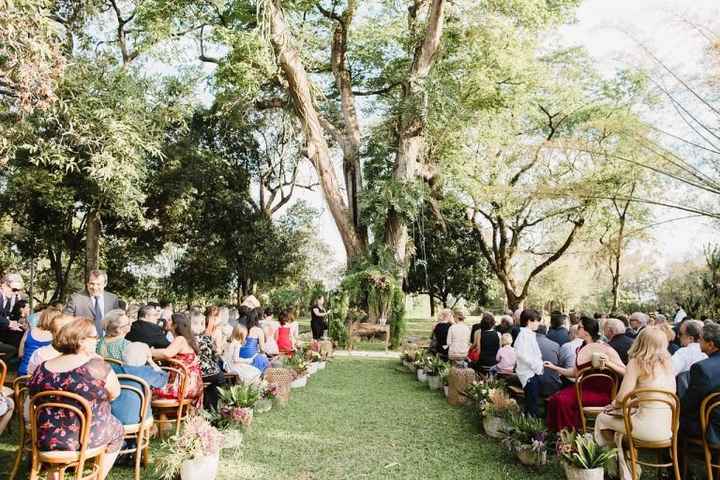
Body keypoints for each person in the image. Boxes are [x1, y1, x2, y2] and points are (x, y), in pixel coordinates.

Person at [28, 317, 123, 480]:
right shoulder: (97, 367)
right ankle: (97, 478)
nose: (98, 340)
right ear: (82, 341)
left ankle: (55, 473)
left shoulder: (41, 368)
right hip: (83, 438)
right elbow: (115, 394)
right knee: (118, 430)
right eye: (95, 337)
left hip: (46, 437)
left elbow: (33, 396)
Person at [594, 327, 676, 480]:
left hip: (645, 428)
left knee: (602, 419)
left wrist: (613, 406)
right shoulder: (669, 364)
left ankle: (615, 468)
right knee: (619, 431)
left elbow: (622, 398)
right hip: (669, 428)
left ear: (640, 342)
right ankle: (628, 468)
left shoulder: (637, 362)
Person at [544, 316, 626, 431]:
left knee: (561, 401)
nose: (576, 329)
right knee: (556, 399)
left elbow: (625, 371)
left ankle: (570, 435)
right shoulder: (581, 348)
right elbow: (574, 373)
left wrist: (609, 363)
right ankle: (562, 437)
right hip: (582, 388)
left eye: (579, 327)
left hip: (601, 393)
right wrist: (554, 367)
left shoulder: (605, 348)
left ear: (587, 331)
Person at [150, 313, 203, 406]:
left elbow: (166, 353)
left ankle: (153, 417)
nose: (166, 321)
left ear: (175, 325)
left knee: (148, 390)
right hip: (191, 384)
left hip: (183, 386)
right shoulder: (186, 339)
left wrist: (147, 351)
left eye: (170, 320)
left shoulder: (180, 339)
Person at [680, 321, 720, 444]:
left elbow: (689, 403)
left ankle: (675, 460)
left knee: (676, 417)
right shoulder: (704, 367)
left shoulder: (701, 368)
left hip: (711, 427)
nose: (698, 343)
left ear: (710, 344)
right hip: (714, 420)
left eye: (700, 340)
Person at [111, 342, 169, 425]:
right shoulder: (147, 371)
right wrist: (151, 362)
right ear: (144, 358)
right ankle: (144, 434)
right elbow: (163, 380)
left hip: (113, 416)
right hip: (139, 417)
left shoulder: (113, 369)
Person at [64, 270, 120, 338]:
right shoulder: (75, 299)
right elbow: (65, 322)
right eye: (92, 283)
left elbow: (117, 323)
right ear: (87, 283)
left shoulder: (113, 299)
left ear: (105, 284)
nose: (94, 287)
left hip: (107, 342)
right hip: (83, 341)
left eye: (98, 284)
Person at [514, 309, 544, 417]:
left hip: (532, 373)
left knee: (532, 403)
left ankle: (531, 428)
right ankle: (532, 430)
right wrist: (536, 366)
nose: (538, 323)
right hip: (529, 374)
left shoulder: (528, 334)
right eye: (536, 320)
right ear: (529, 321)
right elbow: (522, 355)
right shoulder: (524, 335)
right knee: (532, 405)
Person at [17, 308, 60, 376]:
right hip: (41, 376)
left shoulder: (28, 332)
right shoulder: (56, 337)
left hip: (22, 374)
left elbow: (20, 354)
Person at [196, 316, 225, 411]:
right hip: (202, 372)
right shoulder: (205, 338)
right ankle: (213, 408)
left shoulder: (186, 338)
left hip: (193, 371)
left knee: (214, 379)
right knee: (219, 377)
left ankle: (209, 406)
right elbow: (214, 356)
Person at [0, 273, 27, 349]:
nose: (16, 293)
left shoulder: (7, 299)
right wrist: (9, 323)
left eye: (19, 290)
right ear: (4, 285)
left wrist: (13, 324)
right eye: (14, 290)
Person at [536, 325, 563, 397]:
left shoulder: (528, 344)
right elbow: (559, 364)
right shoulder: (555, 345)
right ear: (546, 332)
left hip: (534, 385)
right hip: (552, 385)